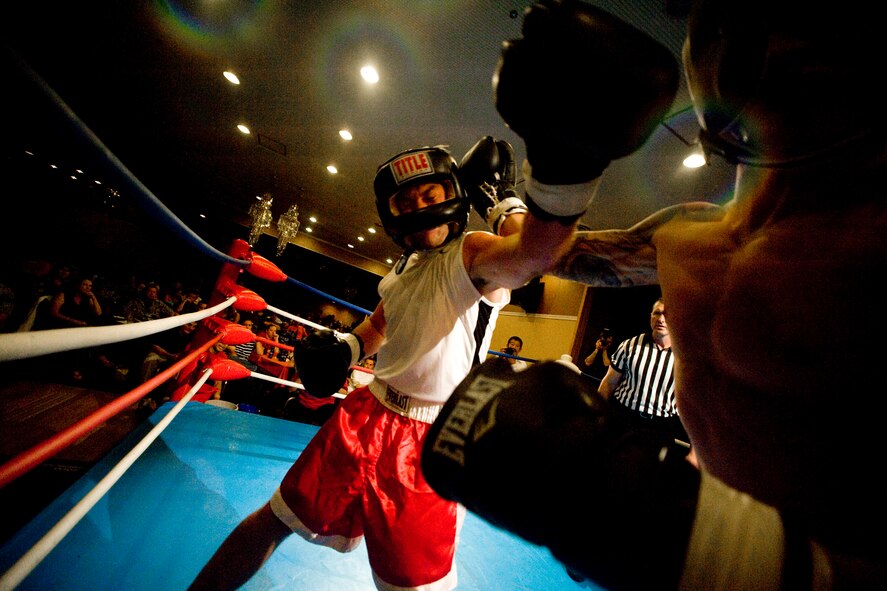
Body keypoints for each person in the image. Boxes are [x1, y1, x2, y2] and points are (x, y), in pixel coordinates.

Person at [188, 23, 676, 583]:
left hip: (427, 438)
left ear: (455, 198)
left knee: (407, 584)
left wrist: (511, 198)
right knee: (271, 520)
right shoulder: (401, 270)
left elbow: (537, 253)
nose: (420, 205)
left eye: (432, 194)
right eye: (408, 199)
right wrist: (348, 348)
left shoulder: (472, 255)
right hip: (365, 412)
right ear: (390, 213)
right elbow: (382, 323)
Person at [422, 1, 887, 589]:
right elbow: (545, 257)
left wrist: (702, 545)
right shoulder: (690, 234)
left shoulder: (871, 248)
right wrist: (545, 179)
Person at [597, 298, 689, 447]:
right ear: (650, 316)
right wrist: (596, 414)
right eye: (657, 313)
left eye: (667, 314)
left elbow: (692, 401)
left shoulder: (685, 355)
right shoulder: (630, 345)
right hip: (625, 416)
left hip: (660, 426)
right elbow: (609, 382)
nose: (661, 319)